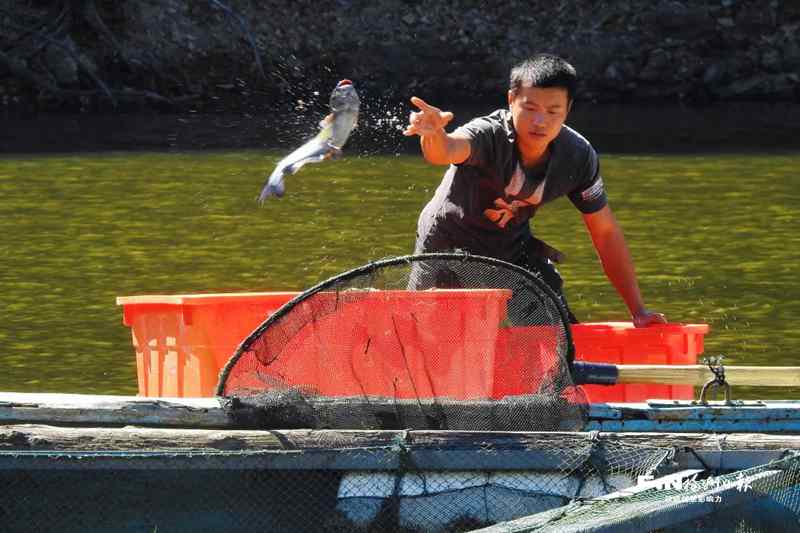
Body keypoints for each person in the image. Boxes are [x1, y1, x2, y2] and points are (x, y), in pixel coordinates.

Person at [403, 53, 666, 328]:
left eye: (553, 111)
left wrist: (638, 311)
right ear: (510, 100)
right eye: (529, 108)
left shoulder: (578, 157)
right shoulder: (488, 134)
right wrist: (433, 134)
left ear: (568, 109)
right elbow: (446, 150)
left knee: (557, 336)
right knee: (433, 339)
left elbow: (605, 232)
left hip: (511, 249)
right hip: (447, 243)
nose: (540, 121)